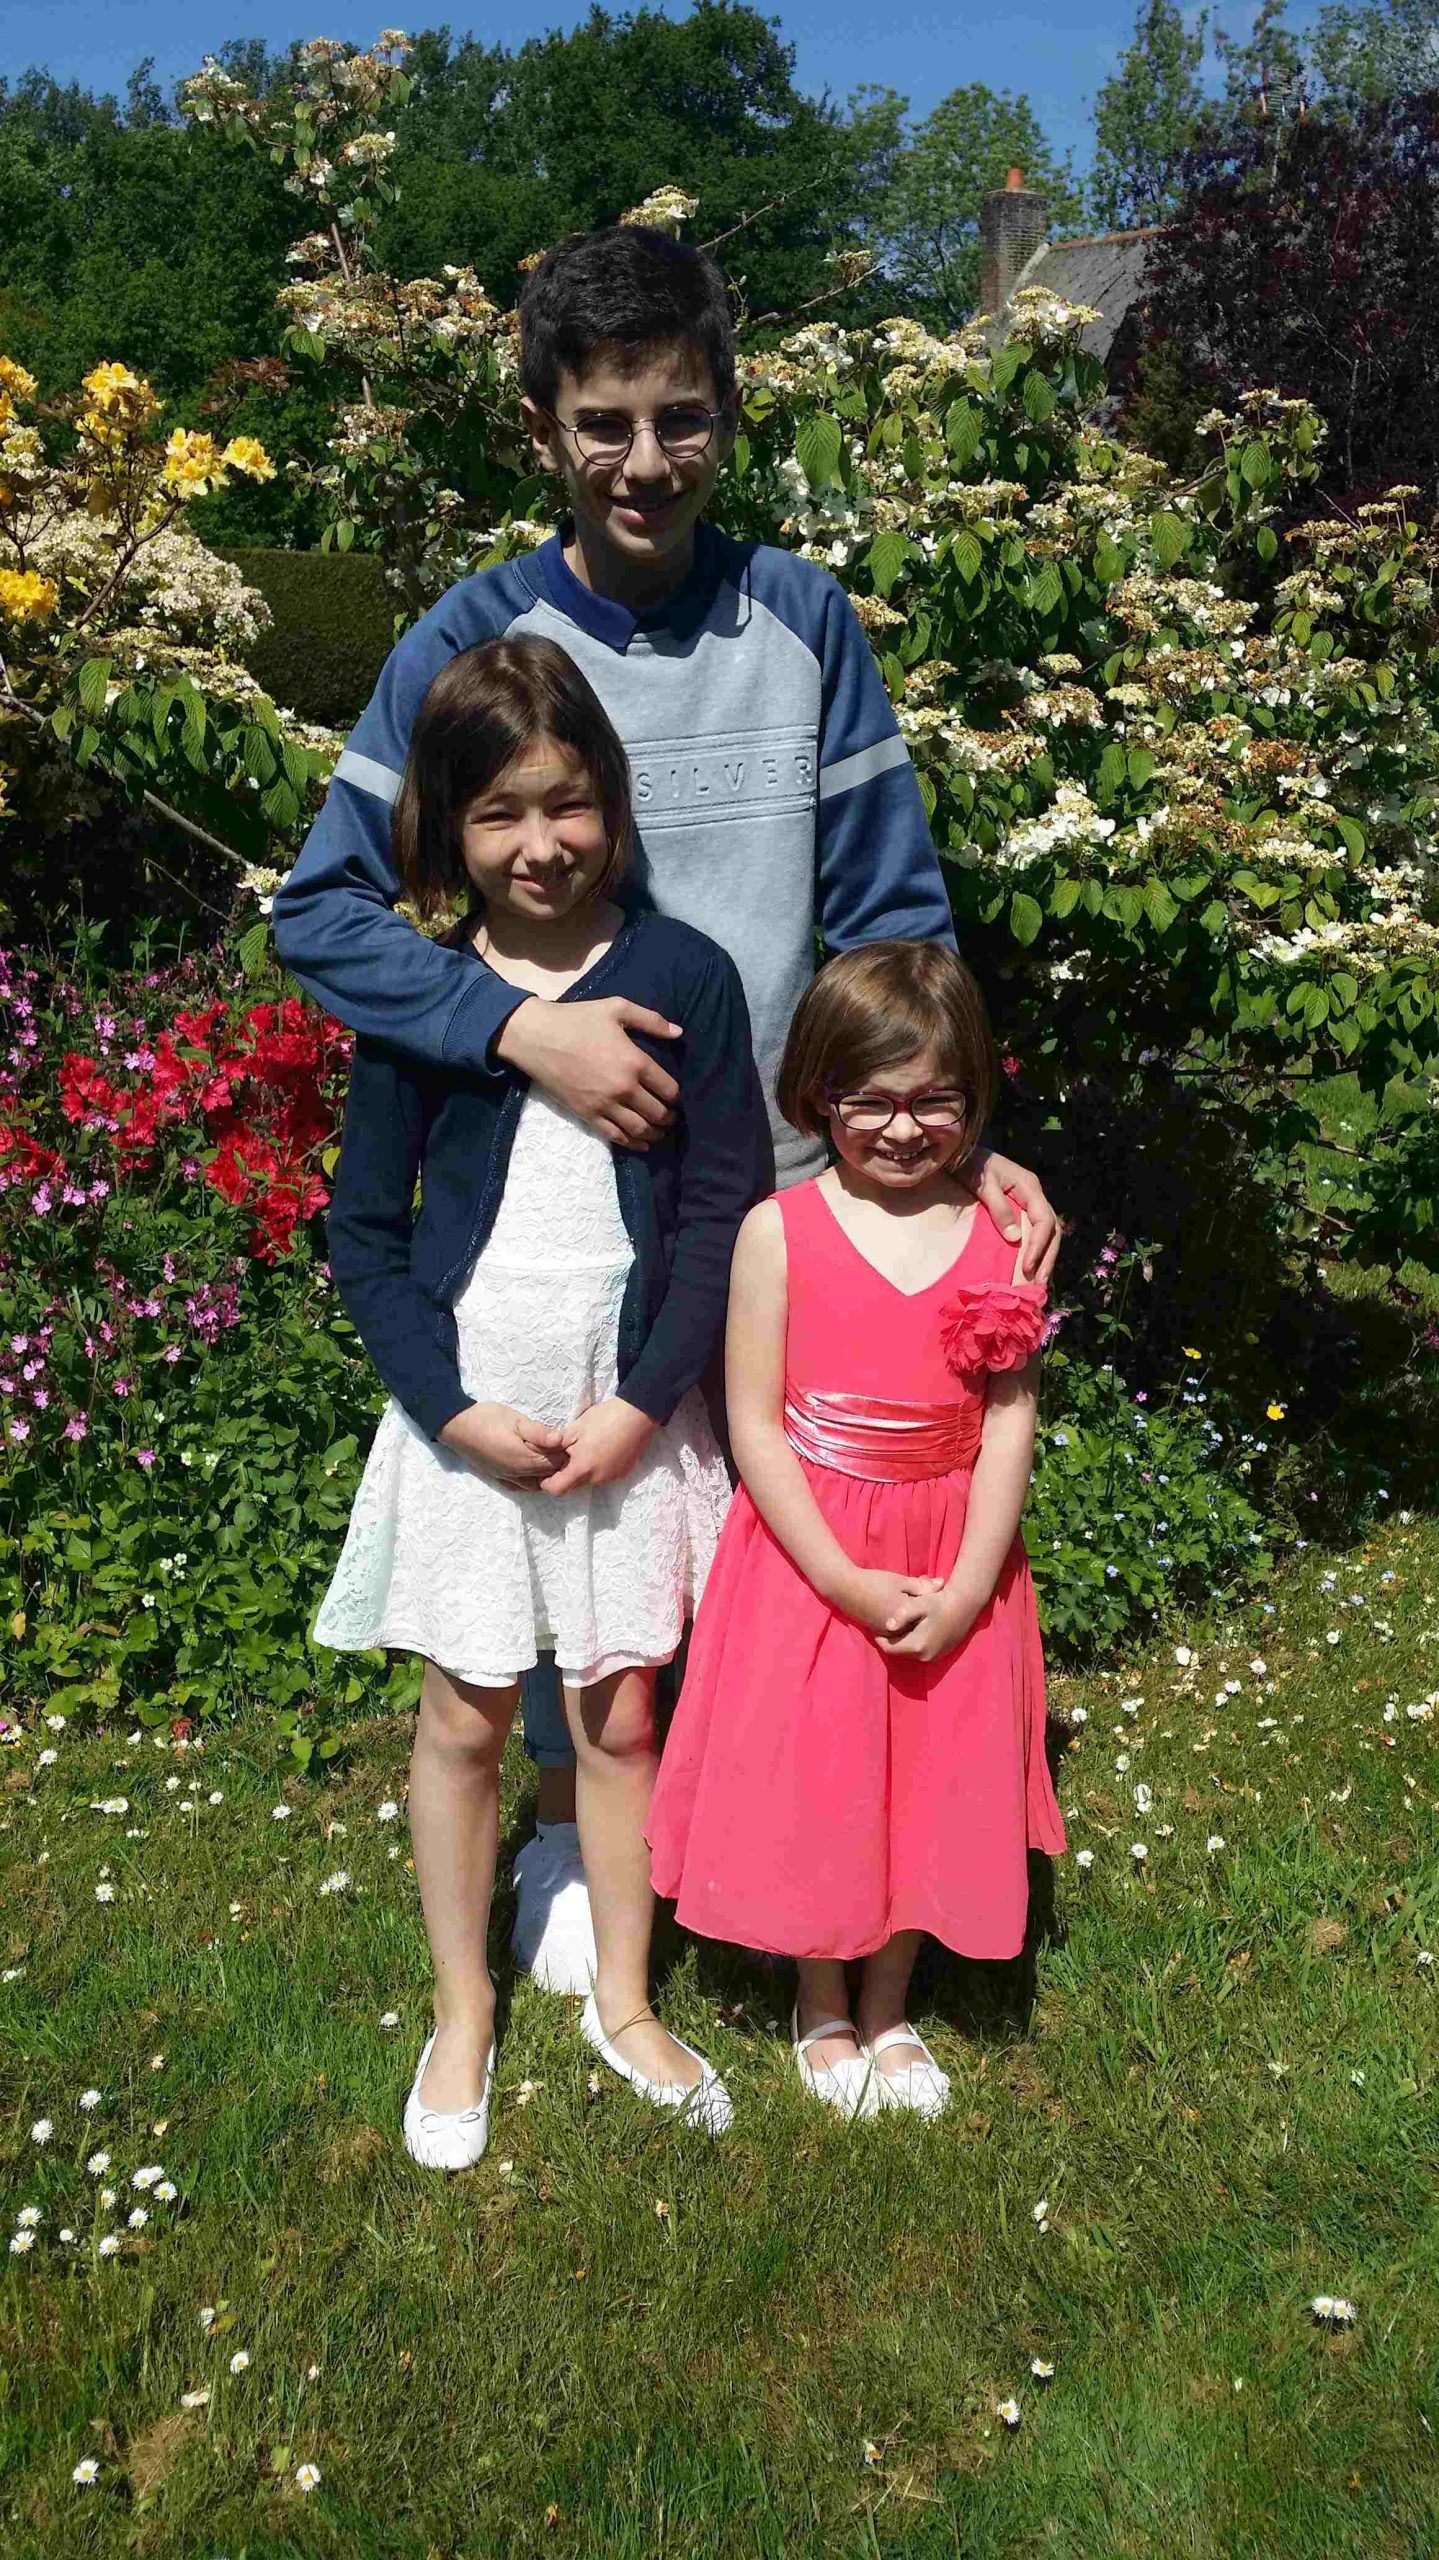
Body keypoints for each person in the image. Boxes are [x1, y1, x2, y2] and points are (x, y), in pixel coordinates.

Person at [274, 221, 1059, 1990]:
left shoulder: (802, 623)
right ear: (539, 428)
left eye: (680, 416)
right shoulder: (471, 638)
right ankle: (573, 1841)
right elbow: (321, 912)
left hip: (782, 1200)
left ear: (727, 413)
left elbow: (889, 915)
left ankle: (777, 1849)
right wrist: (511, 1029)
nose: (645, 460)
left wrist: (956, 1129)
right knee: (579, 1530)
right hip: (564, 1212)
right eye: (604, 422)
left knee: (752, 1554)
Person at [313, 634, 770, 2164]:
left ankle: (623, 2000)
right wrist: (448, 1410)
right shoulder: (427, 999)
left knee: (621, 1714)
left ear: (612, 802)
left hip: (625, 1413)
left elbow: (716, 1217)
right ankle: (462, 2012)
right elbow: (365, 1238)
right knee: (463, 1720)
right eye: (498, 812)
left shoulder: (685, 979)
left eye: (566, 802)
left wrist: (645, 1404)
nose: (539, 842)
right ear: (448, 829)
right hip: (473, 1422)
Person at [647, 942, 1067, 2121]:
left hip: (949, 1551)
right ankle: (820, 2000)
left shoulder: (1001, 1236)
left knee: (928, 1775)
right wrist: (836, 1575)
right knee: (821, 1775)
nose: (900, 1127)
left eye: (934, 1099)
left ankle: (889, 2004)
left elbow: (1007, 1419)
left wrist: (970, 1583)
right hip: (809, 1558)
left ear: (972, 1098)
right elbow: (753, 1421)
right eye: (869, 1099)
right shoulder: (777, 1231)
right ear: (815, 1094)